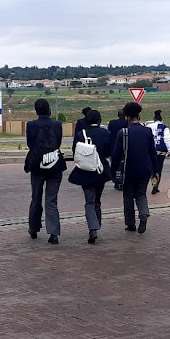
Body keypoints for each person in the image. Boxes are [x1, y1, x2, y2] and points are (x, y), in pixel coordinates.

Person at [111, 102, 159, 234]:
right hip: (145, 170)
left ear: (127, 117)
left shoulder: (123, 133)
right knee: (141, 194)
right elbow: (152, 153)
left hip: (128, 170)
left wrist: (113, 171)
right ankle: (143, 213)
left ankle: (130, 223)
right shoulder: (147, 131)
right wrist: (155, 171)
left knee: (128, 196)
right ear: (139, 115)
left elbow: (116, 155)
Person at [25, 98, 67, 244]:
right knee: (51, 199)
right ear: (49, 109)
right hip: (55, 164)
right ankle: (54, 232)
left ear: (36, 111)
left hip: (37, 165)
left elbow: (30, 144)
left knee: (36, 197)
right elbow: (58, 142)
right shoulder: (57, 125)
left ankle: (34, 228)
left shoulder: (31, 125)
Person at [68, 109, 112, 243]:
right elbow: (108, 152)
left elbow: (75, 151)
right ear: (99, 121)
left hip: (85, 171)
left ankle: (92, 228)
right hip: (100, 170)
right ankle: (97, 224)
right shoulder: (106, 133)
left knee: (89, 201)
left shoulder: (80, 134)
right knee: (97, 200)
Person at [146, 109, 170, 194]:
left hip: (150, 151)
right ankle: (156, 185)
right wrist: (169, 149)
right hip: (161, 151)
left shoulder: (149, 126)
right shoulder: (165, 127)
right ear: (161, 119)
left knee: (152, 168)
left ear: (154, 119)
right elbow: (166, 139)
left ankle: (153, 182)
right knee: (159, 168)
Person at [107, 109, 128, 190]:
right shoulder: (127, 123)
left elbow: (109, 135)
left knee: (114, 164)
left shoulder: (112, 123)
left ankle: (116, 180)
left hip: (113, 147)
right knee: (124, 165)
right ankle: (122, 180)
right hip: (124, 147)